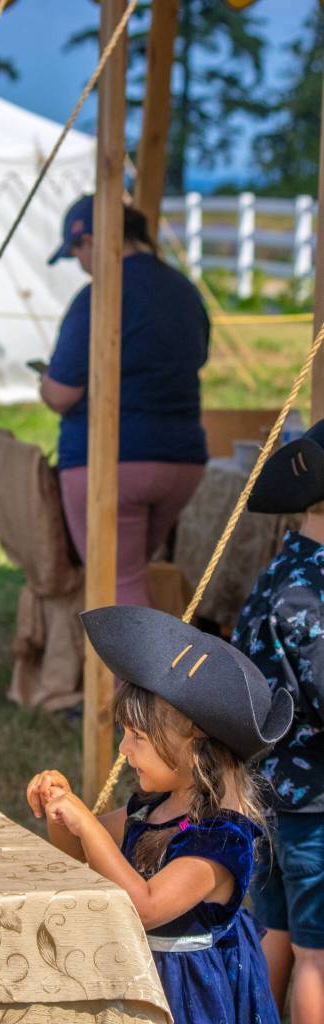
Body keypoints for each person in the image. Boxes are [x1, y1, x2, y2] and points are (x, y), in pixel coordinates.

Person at [27, 605, 293, 1024]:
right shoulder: (148, 809)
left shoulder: (219, 839)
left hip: (188, 996)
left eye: (138, 737)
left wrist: (84, 821)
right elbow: (79, 859)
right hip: (138, 975)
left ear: (193, 743)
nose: (124, 750)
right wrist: (60, 810)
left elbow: (147, 907)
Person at [41, 197, 209, 605]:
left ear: (94, 239)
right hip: (183, 459)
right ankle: (156, 667)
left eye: (78, 250)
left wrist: (44, 382)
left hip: (112, 463)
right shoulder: (185, 290)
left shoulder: (97, 296)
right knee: (132, 578)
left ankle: (139, 673)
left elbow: (62, 394)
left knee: (118, 588)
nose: (81, 263)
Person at [232, 418, 324, 1024]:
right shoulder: (313, 589)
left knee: (276, 935)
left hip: (268, 797)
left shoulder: (278, 573)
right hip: (315, 806)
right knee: (318, 959)